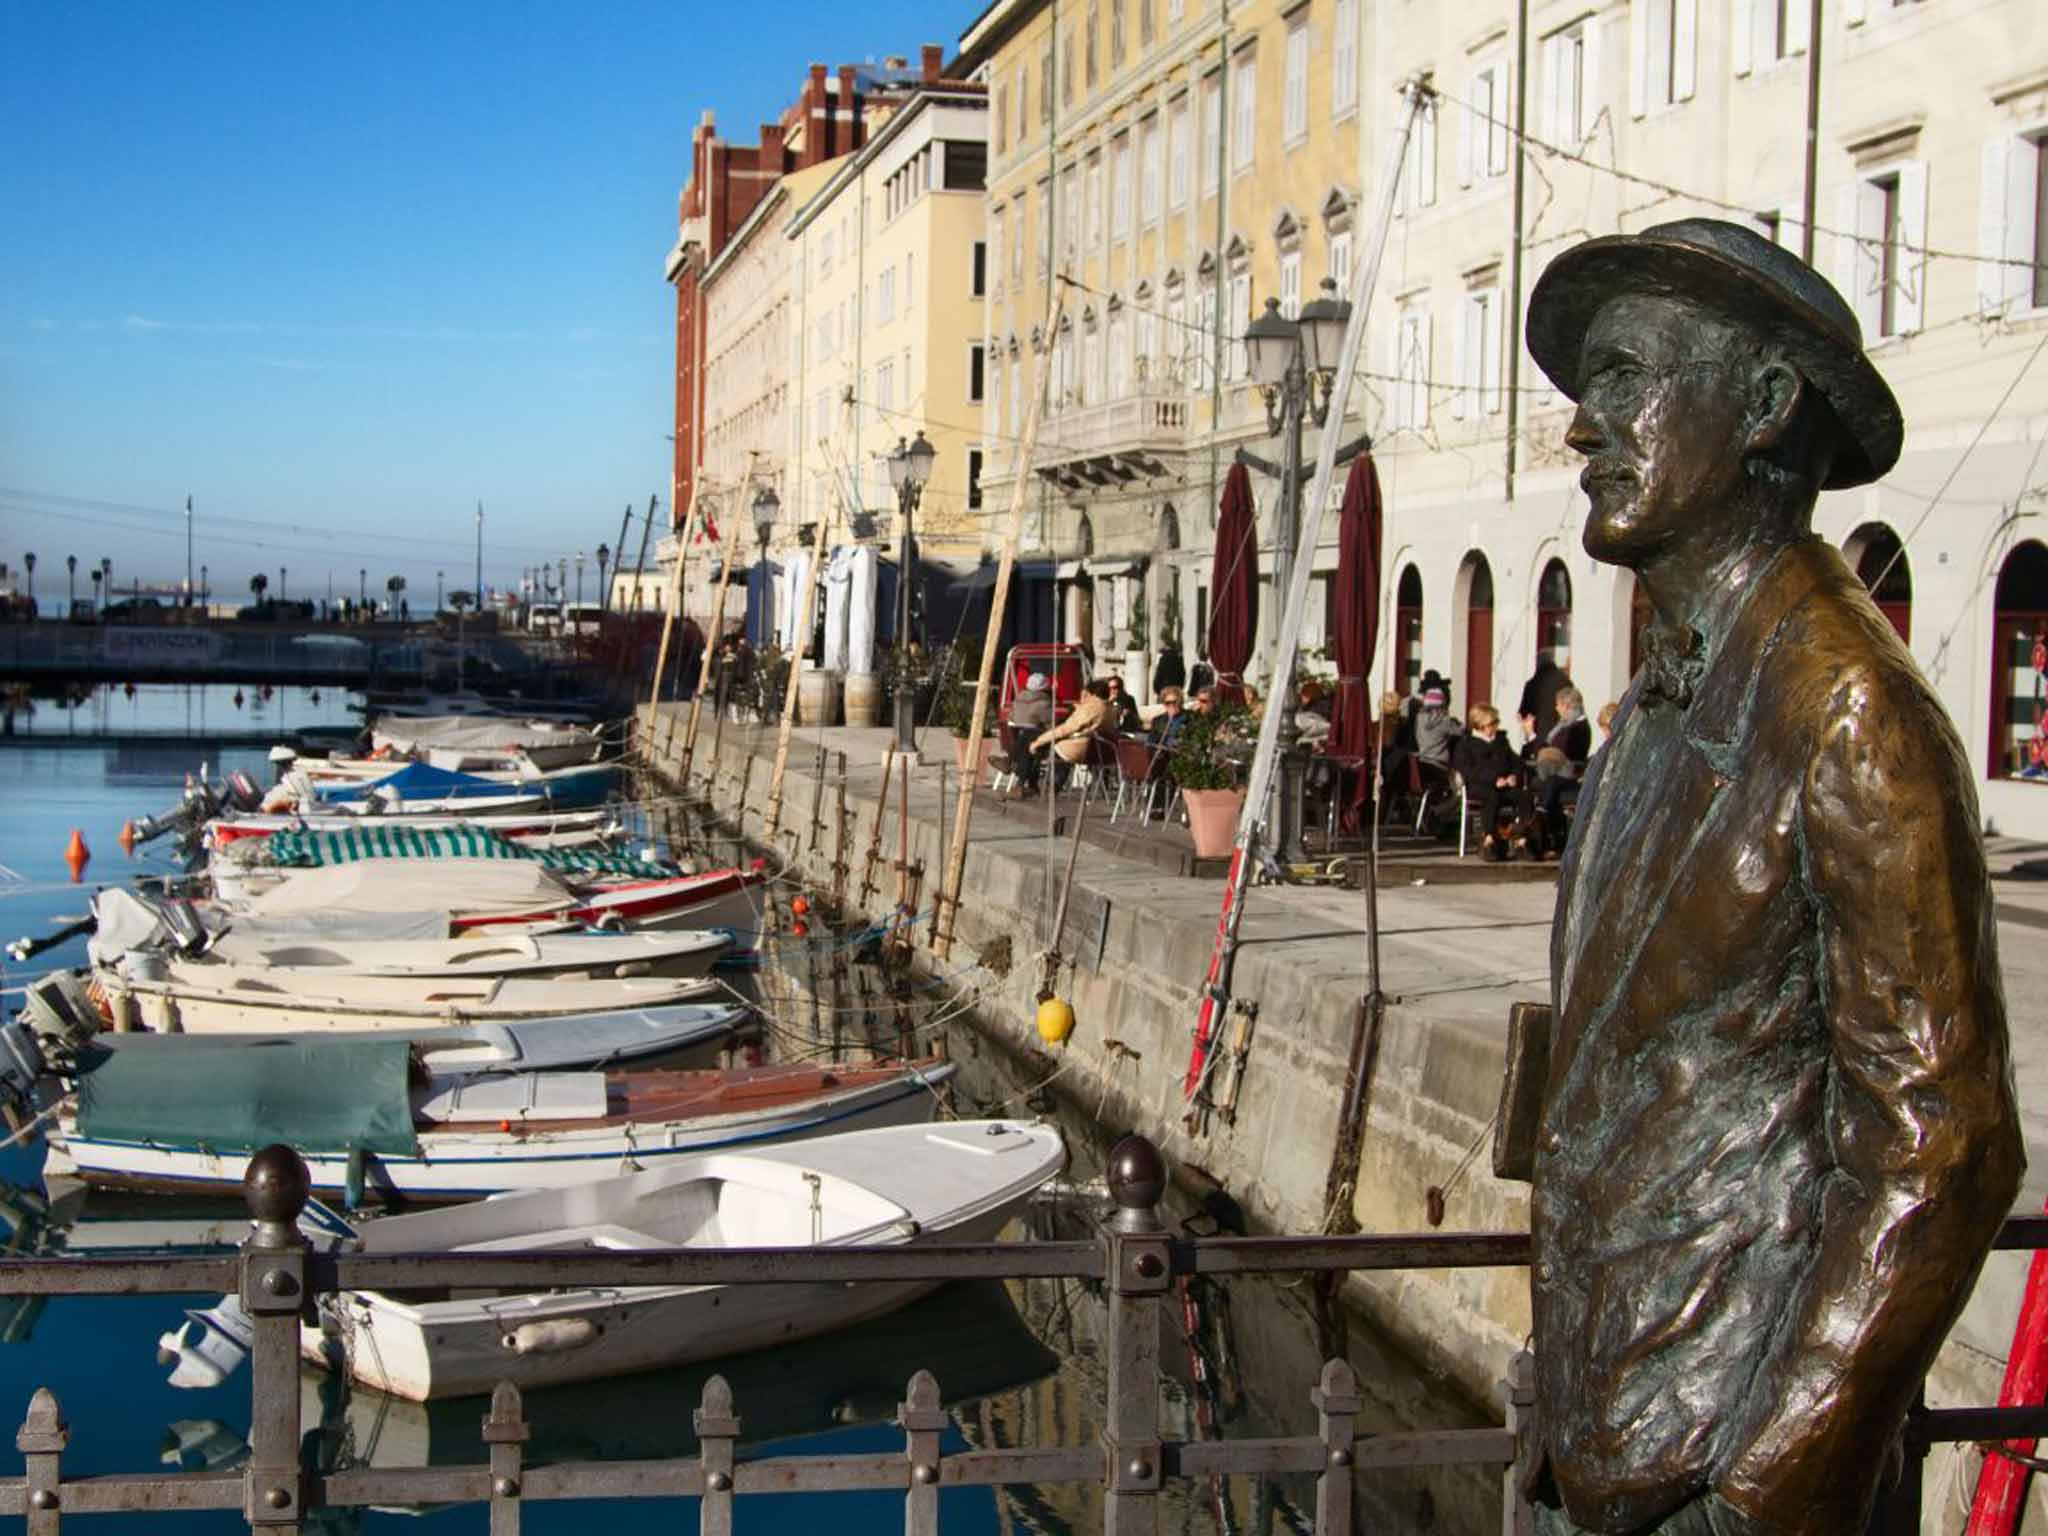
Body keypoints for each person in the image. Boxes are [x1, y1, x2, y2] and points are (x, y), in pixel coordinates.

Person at [1515, 218, 2022, 1536]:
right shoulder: (1655, 709)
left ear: (1761, 405)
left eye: (1624, 377)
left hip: (1728, 1472)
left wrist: (1770, 1483)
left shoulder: (1848, 708)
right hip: (1617, 1428)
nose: (1585, 427)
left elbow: (1942, 1147)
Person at [1451, 704, 1523, 858]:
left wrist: (1513, 776)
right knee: (1492, 796)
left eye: (1496, 722)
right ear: (1480, 725)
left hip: (1505, 785)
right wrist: (1494, 780)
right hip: (1480, 786)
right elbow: (1467, 770)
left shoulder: (1501, 741)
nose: (1495, 727)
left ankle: (1523, 838)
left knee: (1525, 796)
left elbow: (1516, 762)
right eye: (1492, 724)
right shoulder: (1466, 744)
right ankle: (1488, 838)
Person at [1031, 677, 1113, 785]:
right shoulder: (1110, 709)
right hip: (1099, 750)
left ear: (1091, 694)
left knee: (1035, 744)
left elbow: (1066, 729)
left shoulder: (1091, 708)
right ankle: (1038, 785)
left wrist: (1039, 741)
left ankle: (1036, 784)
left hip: (1077, 748)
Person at [1007, 671, 1055, 795]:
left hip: (1017, 742)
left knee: (1027, 742)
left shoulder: (1018, 698)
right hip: (1036, 744)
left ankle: (1010, 764)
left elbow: (1011, 717)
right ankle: (1025, 784)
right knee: (1031, 744)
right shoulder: (1044, 702)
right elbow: (1051, 725)